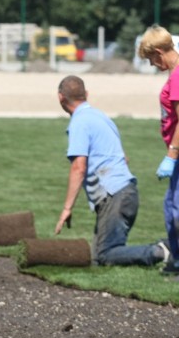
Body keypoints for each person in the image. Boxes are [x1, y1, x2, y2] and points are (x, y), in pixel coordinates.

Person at [54, 75, 168, 267]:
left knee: (106, 255)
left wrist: (67, 208)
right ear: (86, 94)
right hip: (126, 190)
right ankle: (166, 248)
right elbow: (124, 157)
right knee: (97, 259)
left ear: (60, 97)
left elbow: (78, 167)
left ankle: (160, 251)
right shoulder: (101, 117)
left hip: (114, 193)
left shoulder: (80, 122)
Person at [138, 25, 179, 275]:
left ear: (158, 51)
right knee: (171, 206)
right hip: (178, 153)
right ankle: (177, 258)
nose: (152, 64)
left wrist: (172, 155)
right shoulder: (177, 71)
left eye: (151, 59)